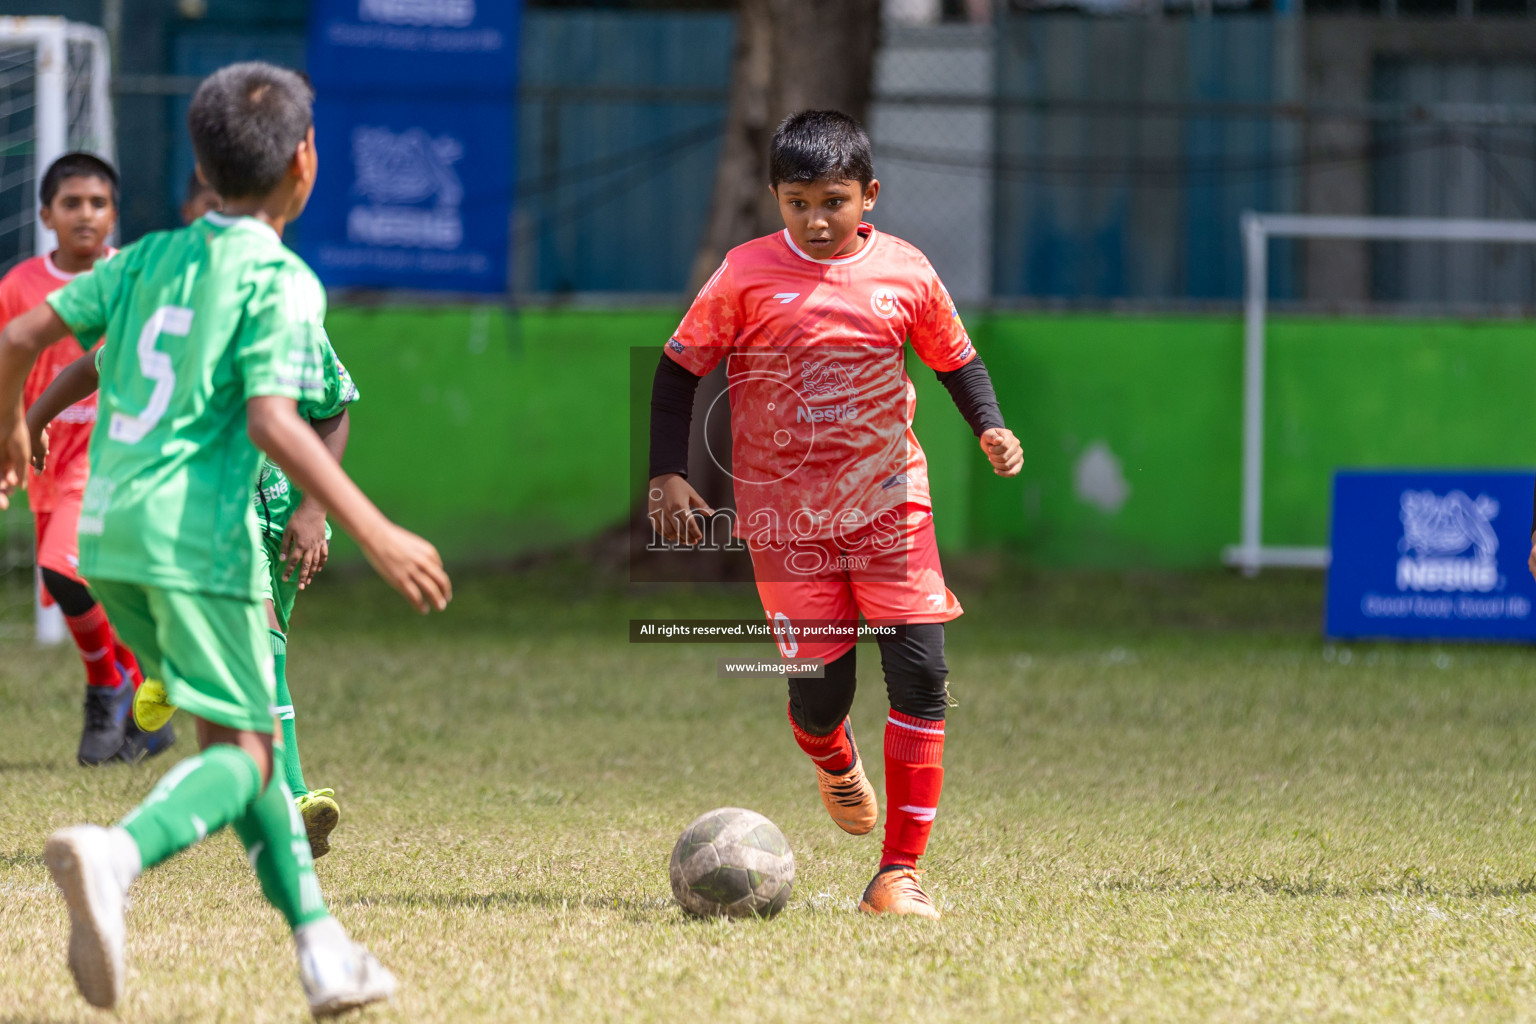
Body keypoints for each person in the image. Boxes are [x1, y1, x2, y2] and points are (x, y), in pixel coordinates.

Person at [0, 62, 451, 1016]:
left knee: (235, 748)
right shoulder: (280, 279)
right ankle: (115, 857)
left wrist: (19, 420)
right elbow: (276, 423)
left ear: (204, 167)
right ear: (305, 161)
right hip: (197, 544)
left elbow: (27, 337)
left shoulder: (147, 259)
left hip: (108, 535)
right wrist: (373, 526)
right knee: (245, 759)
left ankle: (323, 950)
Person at [647, 110, 1022, 919]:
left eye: (834, 202)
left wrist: (989, 424)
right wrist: (668, 474)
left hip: (892, 507)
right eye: (797, 203)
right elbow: (679, 371)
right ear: (776, 199)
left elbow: (956, 358)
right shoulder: (745, 274)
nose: (816, 221)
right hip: (787, 524)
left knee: (921, 673)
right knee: (822, 698)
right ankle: (829, 753)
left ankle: (897, 876)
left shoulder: (906, 272)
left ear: (869, 196)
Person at [30, 177, 352, 858]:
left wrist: (316, 511)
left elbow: (329, 410)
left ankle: (171, 680)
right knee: (258, 652)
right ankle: (288, 800)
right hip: (195, 511)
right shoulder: (165, 294)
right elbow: (87, 360)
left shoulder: (288, 304)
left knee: (265, 655)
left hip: (271, 506)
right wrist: (33, 416)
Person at [0, 152, 173, 765]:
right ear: (46, 213)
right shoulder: (18, 287)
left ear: (115, 215)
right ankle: (147, 704)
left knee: (63, 568)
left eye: (98, 204)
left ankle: (108, 689)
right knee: (89, 581)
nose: (85, 214)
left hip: (110, 456)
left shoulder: (132, 277)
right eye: (71, 203)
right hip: (44, 455)